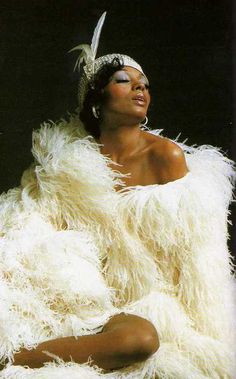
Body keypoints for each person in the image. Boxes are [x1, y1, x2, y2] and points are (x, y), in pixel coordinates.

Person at [0, 12, 235, 379]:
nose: (140, 89)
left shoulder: (165, 157)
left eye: (145, 84)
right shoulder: (66, 162)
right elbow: (32, 222)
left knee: (140, 338)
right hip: (75, 291)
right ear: (97, 101)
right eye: (125, 81)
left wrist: (201, 328)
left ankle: (18, 357)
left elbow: (195, 259)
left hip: (138, 303)